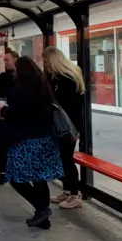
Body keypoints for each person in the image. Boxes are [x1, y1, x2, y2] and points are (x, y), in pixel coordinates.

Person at [0, 56, 64, 229]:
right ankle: (43, 218)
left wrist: (2, 109)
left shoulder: (20, 90)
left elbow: (15, 113)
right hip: (45, 138)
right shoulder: (43, 87)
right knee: (39, 178)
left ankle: (41, 209)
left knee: (15, 177)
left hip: (26, 141)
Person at [42, 46, 86, 210]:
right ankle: (67, 190)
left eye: (46, 60)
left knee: (67, 159)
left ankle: (75, 195)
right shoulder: (58, 76)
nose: (45, 64)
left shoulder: (66, 79)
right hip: (63, 125)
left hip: (68, 126)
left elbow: (63, 104)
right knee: (62, 158)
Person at [0, 49, 19, 185]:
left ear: (15, 60)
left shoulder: (22, 77)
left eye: (7, 60)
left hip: (17, 118)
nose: (5, 62)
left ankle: (14, 171)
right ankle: (3, 173)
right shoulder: (3, 77)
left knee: (15, 145)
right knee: (2, 146)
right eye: (4, 60)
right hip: (3, 117)